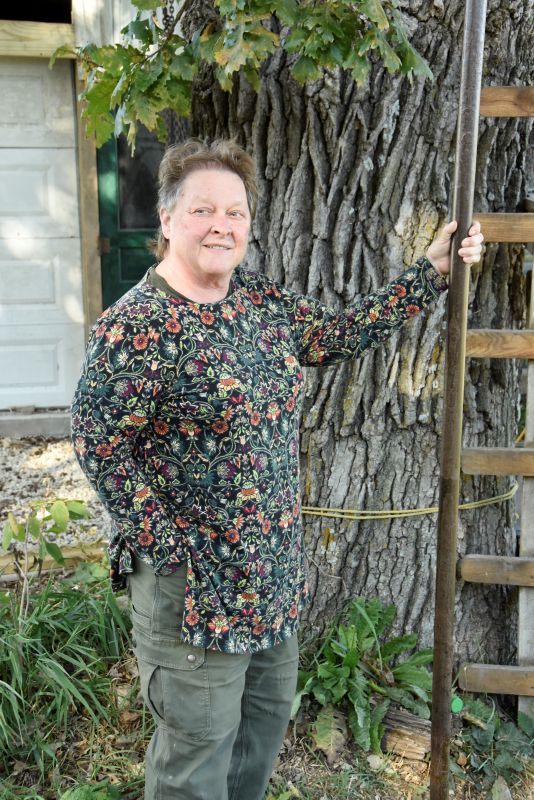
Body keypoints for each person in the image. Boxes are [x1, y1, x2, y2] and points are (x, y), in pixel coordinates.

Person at [71, 138, 484, 800]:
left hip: (270, 580)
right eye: (203, 210)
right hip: (194, 592)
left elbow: (336, 335)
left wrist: (429, 272)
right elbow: (98, 443)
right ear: (168, 219)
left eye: (235, 213)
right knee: (195, 762)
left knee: (258, 740)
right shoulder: (136, 328)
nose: (221, 226)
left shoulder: (259, 302)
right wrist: (167, 544)